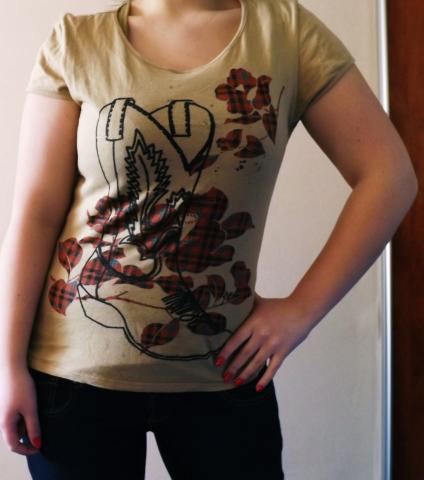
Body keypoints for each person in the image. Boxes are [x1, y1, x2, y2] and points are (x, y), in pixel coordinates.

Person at [0, 0, 418, 478]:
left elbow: (390, 177)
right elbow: (36, 215)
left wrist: (300, 312)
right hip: (71, 380)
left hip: (225, 371)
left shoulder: (285, 33)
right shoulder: (78, 42)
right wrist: (7, 365)